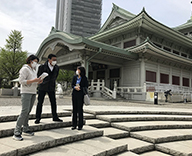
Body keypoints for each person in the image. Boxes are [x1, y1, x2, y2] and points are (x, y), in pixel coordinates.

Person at [13, 55, 42, 141]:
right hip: (26, 92)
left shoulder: (33, 70)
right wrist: (34, 80)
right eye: (35, 61)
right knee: (24, 111)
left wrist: (38, 82)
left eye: (37, 62)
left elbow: (32, 82)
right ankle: (16, 132)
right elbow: (21, 81)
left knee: (28, 111)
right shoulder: (24, 69)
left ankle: (25, 128)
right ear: (30, 61)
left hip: (33, 92)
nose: (36, 63)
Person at [35, 54, 63, 124]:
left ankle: (55, 117)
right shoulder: (42, 66)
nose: (54, 61)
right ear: (49, 60)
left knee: (53, 102)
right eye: (53, 60)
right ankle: (38, 117)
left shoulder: (57, 67)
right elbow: (38, 76)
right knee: (40, 102)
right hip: (43, 86)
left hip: (51, 87)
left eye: (55, 60)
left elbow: (55, 76)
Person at [71, 66, 88, 130]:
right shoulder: (75, 77)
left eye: (78, 69)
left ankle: (80, 125)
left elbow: (86, 86)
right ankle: (74, 124)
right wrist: (75, 87)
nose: (77, 71)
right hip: (74, 93)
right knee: (74, 109)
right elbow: (72, 84)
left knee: (80, 109)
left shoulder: (84, 78)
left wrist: (80, 88)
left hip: (81, 94)